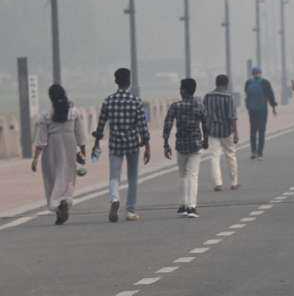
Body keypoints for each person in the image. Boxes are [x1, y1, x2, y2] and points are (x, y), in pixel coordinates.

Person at [92, 68, 151, 222]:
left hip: (115, 143)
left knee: (114, 175)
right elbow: (142, 126)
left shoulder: (108, 101)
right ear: (129, 82)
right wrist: (147, 146)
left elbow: (101, 125)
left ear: (116, 81)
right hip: (132, 143)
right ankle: (130, 210)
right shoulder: (135, 101)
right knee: (132, 177)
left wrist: (96, 143)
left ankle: (114, 199)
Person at [31, 84, 86, 225]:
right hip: (70, 147)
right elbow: (80, 134)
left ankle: (57, 205)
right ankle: (65, 201)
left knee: (52, 179)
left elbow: (41, 140)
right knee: (67, 177)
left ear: (51, 97)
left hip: (52, 150)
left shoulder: (46, 115)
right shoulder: (74, 112)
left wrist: (35, 159)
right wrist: (82, 150)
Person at [163, 78, 208, 218]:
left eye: (180, 88)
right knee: (193, 175)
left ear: (183, 90)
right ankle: (191, 207)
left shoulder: (176, 106)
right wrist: (206, 139)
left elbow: (168, 125)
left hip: (181, 145)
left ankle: (183, 205)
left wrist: (166, 143)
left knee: (182, 175)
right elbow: (206, 124)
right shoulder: (199, 105)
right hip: (195, 144)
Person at [204, 75, 240, 191]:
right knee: (230, 155)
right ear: (226, 84)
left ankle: (217, 183)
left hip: (212, 130)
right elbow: (232, 116)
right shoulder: (229, 97)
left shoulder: (208, 96)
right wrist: (236, 133)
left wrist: (204, 133)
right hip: (226, 130)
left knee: (214, 157)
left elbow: (204, 115)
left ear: (216, 83)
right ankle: (234, 182)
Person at [244, 67, 277, 160]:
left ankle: (253, 151)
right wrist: (273, 107)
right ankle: (260, 153)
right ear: (260, 73)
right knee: (261, 131)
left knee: (253, 131)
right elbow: (270, 95)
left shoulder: (248, 83)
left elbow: (246, 95)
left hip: (252, 110)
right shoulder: (265, 82)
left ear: (252, 74)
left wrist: (248, 107)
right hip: (262, 110)